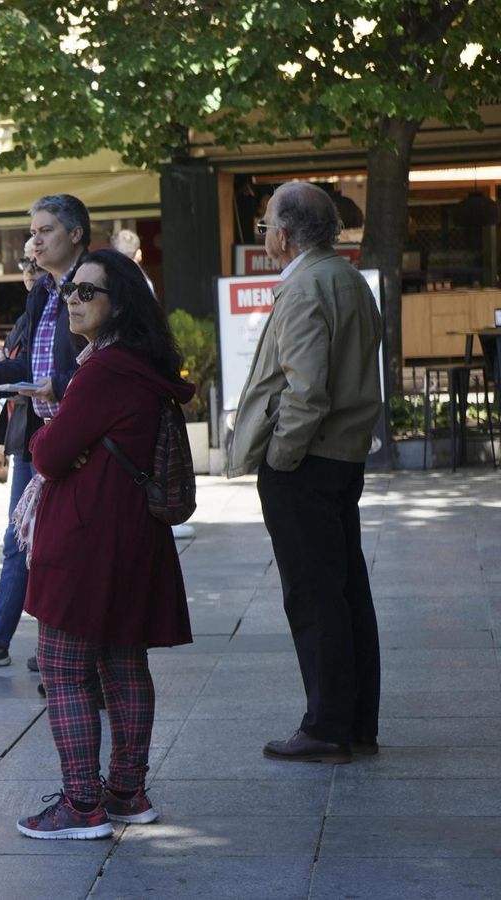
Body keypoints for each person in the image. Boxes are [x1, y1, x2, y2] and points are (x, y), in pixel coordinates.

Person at [0, 248, 193, 839]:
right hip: (131, 528)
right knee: (123, 663)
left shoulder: (104, 369)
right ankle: (128, 794)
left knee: (63, 666)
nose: (72, 299)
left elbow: (48, 455)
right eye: (71, 291)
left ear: (118, 304)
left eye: (87, 292)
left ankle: (82, 804)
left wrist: (58, 431)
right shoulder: (136, 363)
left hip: (88, 531)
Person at [231, 181, 382, 764]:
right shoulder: (346, 278)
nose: (263, 234)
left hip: (307, 461)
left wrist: (280, 458)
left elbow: (305, 392)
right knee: (346, 593)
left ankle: (325, 728)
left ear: (285, 234)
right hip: (341, 456)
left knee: (315, 597)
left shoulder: (304, 287)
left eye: (266, 225)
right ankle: (353, 723)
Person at [0, 198, 89, 670]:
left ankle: (80, 657)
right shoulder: (44, 291)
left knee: (75, 547)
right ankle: (51, 650)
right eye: (33, 231)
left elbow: (119, 359)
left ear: (76, 234)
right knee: (26, 540)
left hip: (88, 440)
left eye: (46, 230)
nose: (36, 240)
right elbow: (31, 363)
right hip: (43, 435)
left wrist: (62, 386)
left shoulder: (97, 282)